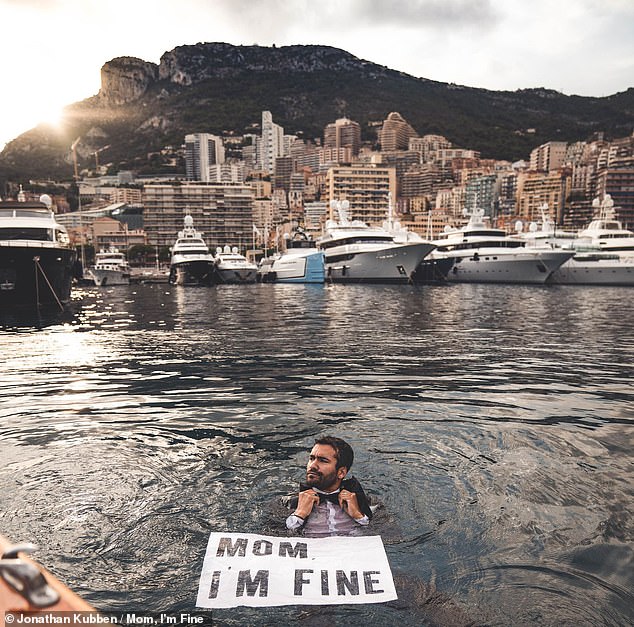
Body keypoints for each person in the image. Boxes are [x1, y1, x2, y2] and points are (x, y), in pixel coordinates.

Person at [284, 436, 373, 537]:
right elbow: (275, 536)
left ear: (341, 472)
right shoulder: (289, 503)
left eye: (323, 460)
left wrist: (359, 516)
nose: (312, 465)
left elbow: (383, 533)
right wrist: (299, 514)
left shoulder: (362, 502)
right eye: (311, 458)